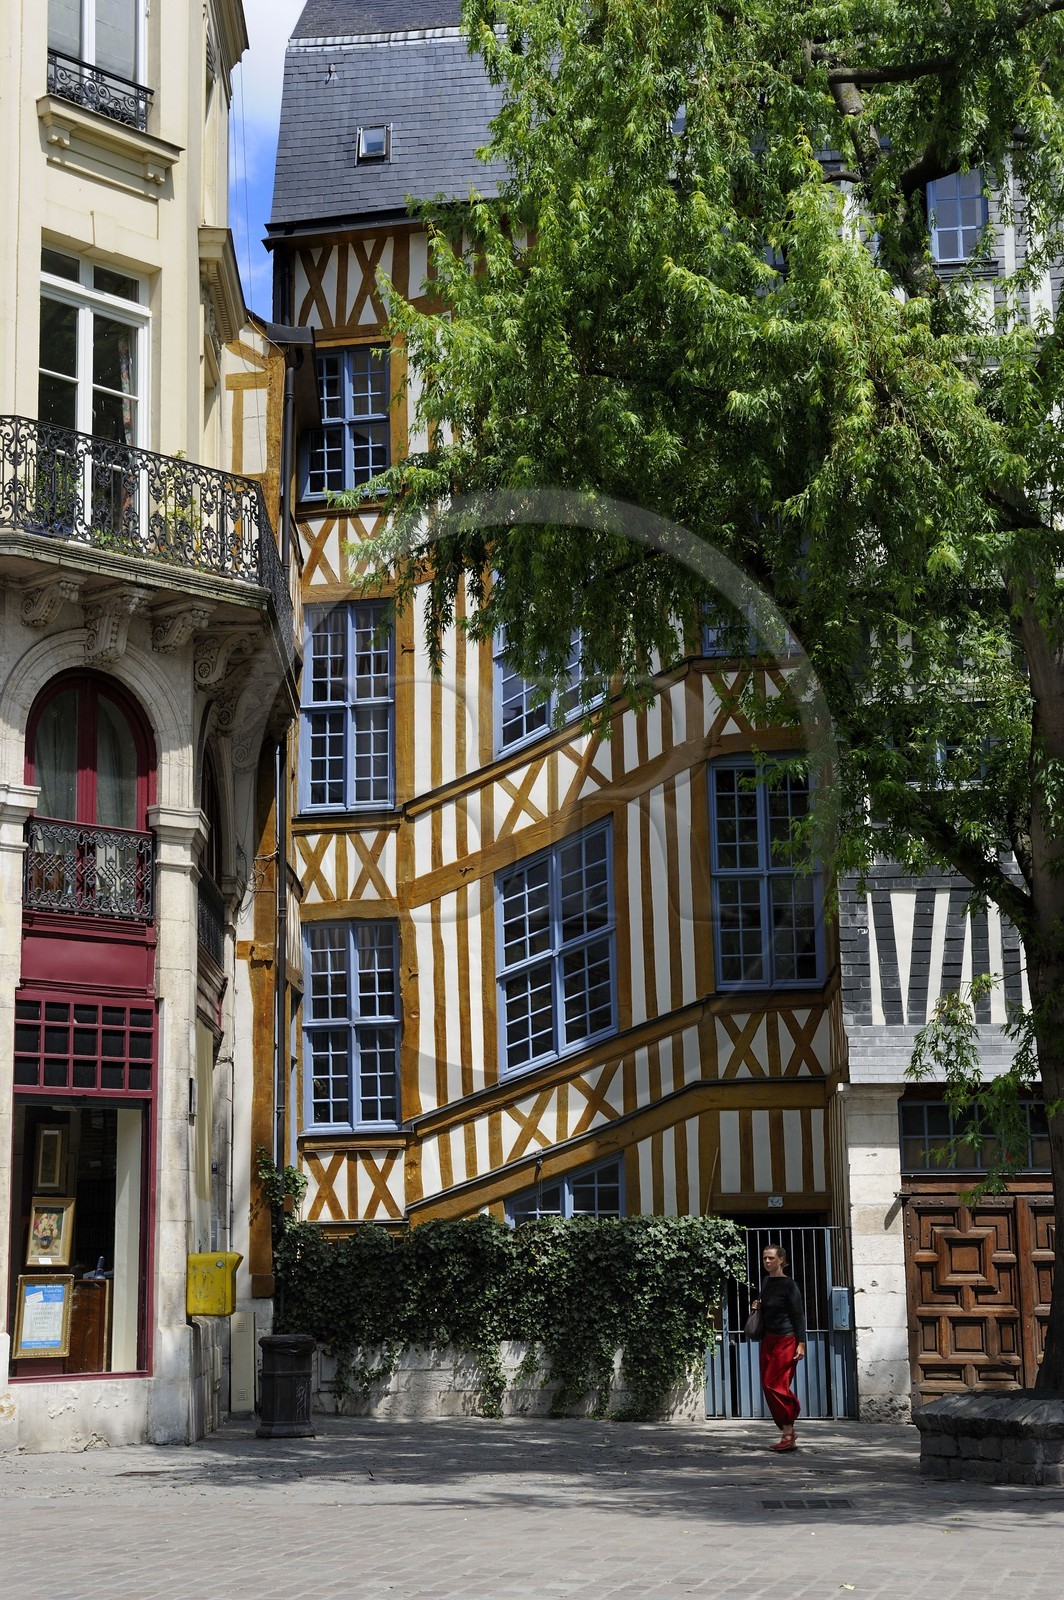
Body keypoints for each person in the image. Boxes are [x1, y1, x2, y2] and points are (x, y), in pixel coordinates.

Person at [753, 1242, 806, 1452]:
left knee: (774, 1384)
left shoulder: (789, 1285)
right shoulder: (766, 1282)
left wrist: (801, 1343)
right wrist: (757, 1306)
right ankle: (788, 1431)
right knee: (768, 1386)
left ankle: (788, 1428)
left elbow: (798, 1316)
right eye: (764, 1258)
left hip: (786, 1339)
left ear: (781, 1260)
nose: (767, 1261)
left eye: (771, 1258)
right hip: (768, 1339)